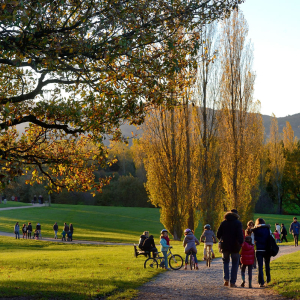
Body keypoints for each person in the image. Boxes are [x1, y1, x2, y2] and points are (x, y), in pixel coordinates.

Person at [217, 209, 244, 288]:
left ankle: (226, 280)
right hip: (235, 246)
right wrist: (240, 242)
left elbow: (218, 234)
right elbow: (240, 235)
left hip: (225, 246)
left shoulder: (223, 223)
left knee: (225, 262)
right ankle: (232, 282)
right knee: (235, 263)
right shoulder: (238, 223)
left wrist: (222, 239)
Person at [252, 218, 271, 287]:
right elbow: (271, 238)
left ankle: (261, 282)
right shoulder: (268, 229)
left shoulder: (255, 230)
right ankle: (268, 280)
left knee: (260, 266)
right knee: (267, 265)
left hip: (259, 249)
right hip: (267, 249)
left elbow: (252, 241)